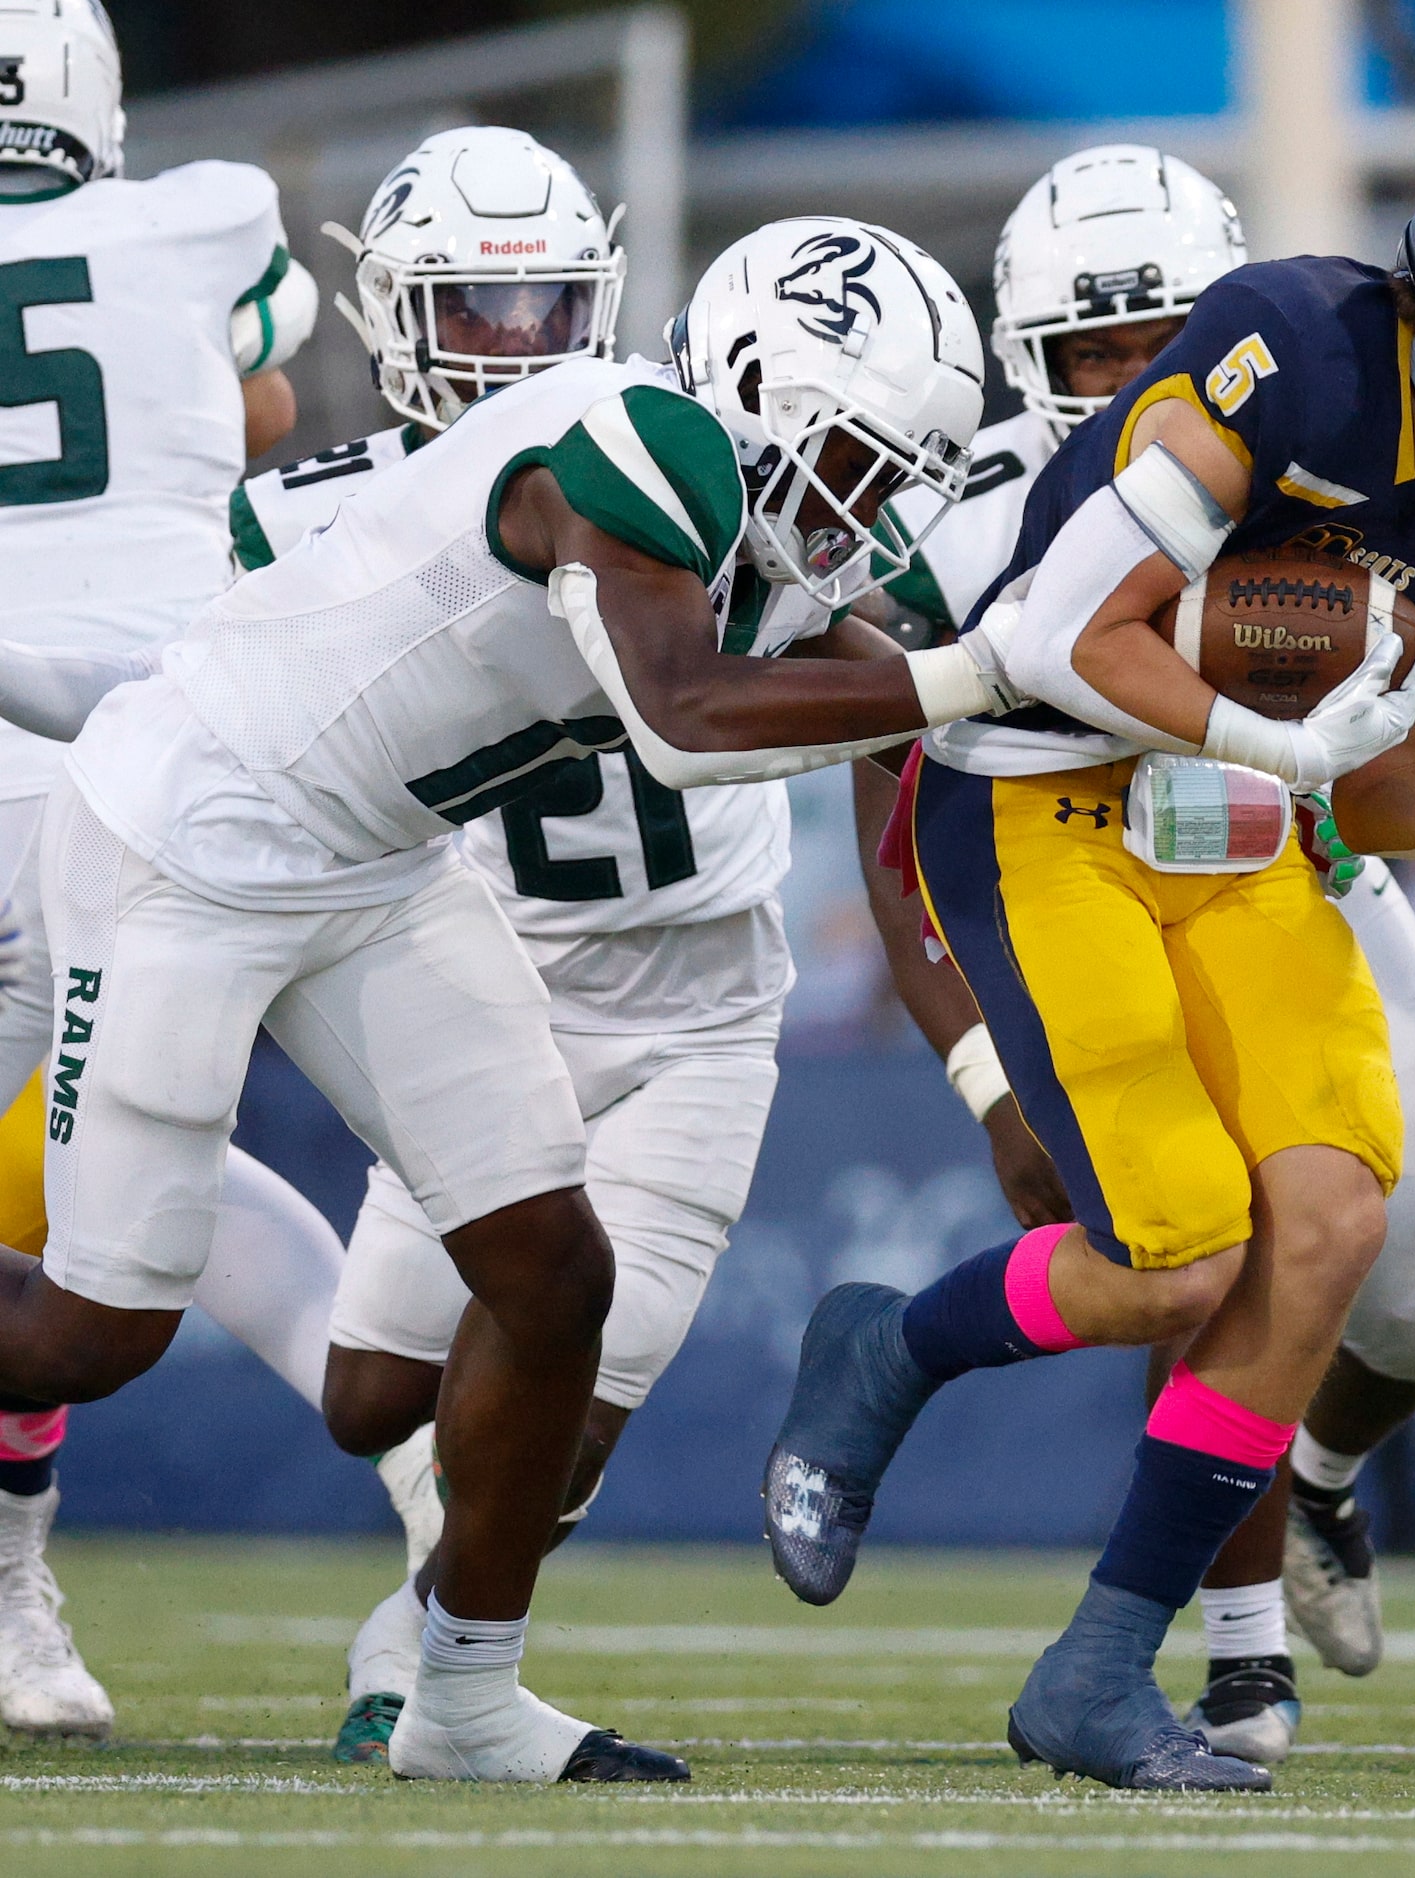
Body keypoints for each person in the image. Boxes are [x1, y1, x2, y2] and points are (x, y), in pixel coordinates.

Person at [764, 101, 1415, 1792]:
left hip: (1231, 819)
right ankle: (891, 1343)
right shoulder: (1300, 345)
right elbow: (1052, 629)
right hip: (1044, 789)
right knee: (1180, 1253)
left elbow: (1407, 787)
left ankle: (1099, 1667)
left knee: (1338, 1216)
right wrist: (1282, 744)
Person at [0, 212, 1021, 1782]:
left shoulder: (737, 520)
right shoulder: (636, 444)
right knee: (90, 1330)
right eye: (861, 465)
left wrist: (1053, 675)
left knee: (553, 1269)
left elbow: (874, 656)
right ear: (757, 390)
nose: (872, 514)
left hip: (378, 865)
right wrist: (979, 673)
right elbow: (686, 717)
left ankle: (462, 1695)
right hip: (187, 836)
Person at [217, 127, 801, 1764]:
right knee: (372, 1394)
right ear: (396, 312)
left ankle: (423, 1653)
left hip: (697, 1003)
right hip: (476, 976)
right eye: (472, 304)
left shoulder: (688, 464)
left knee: (574, 1409)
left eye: (545, 300)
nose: (511, 341)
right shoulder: (311, 516)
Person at [0, 0, 346, 1742]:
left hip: (63, 751)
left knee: (75, 1183)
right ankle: (16, 1591)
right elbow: (264, 388)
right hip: (113, 756)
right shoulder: (192, 217)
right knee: (97, 1174)